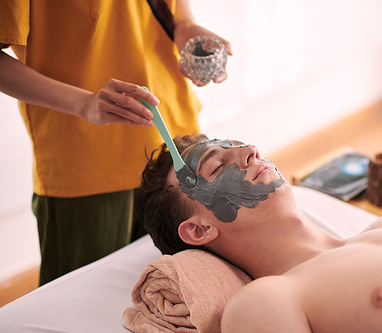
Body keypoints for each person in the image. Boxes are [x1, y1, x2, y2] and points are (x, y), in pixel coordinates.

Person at [137, 134, 382, 333]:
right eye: (216, 166)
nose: (251, 150)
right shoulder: (264, 302)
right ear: (200, 229)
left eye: (236, 145)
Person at [0, 0, 232, 285]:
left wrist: (184, 23)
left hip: (176, 139)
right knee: (83, 300)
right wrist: (84, 103)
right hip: (86, 163)